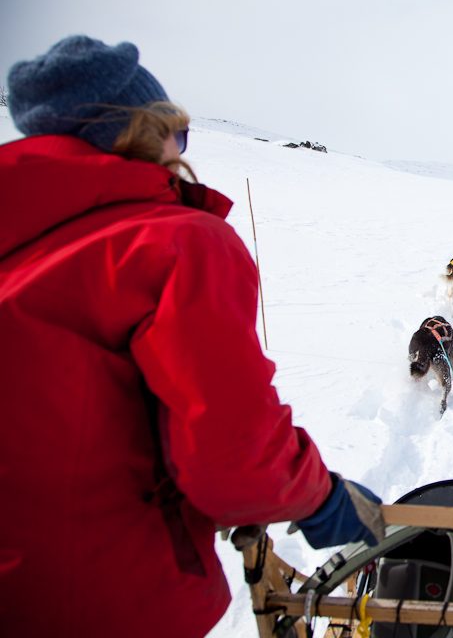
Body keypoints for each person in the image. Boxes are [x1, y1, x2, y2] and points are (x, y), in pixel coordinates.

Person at [0, 36, 384, 637]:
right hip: (99, 599)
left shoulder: (20, 245)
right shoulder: (171, 243)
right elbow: (232, 449)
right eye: (178, 132)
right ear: (139, 132)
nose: (181, 148)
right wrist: (319, 496)